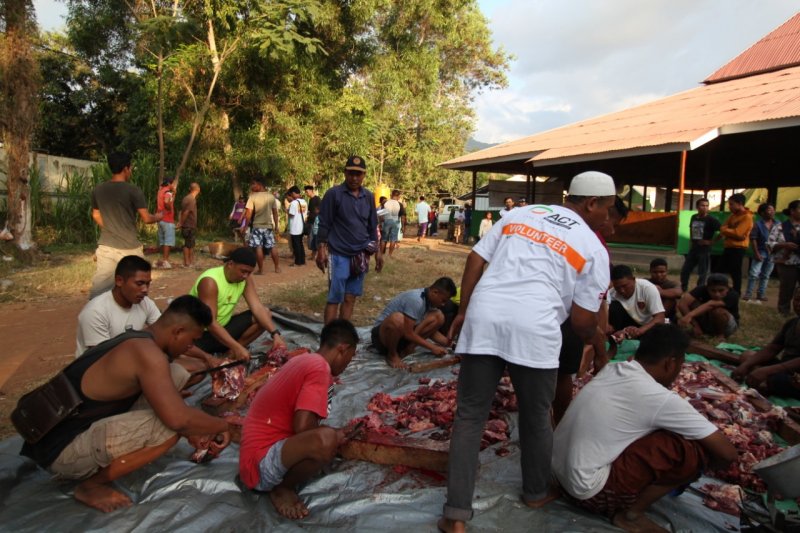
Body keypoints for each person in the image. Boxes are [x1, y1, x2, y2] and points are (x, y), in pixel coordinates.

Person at [439, 171, 617, 533]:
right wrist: (597, 345)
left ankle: (455, 515)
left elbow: (475, 258)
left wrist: (463, 310)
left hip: (486, 317)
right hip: (535, 330)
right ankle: (535, 492)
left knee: (470, 417)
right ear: (592, 203)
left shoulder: (523, 214)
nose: (608, 218)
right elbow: (583, 320)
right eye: (608, 210)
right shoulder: (593, 246)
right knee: (536, 417)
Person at [19, 296, 234, 513]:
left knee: (176, 373)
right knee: (167, 428)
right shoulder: (149, 355)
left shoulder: (139, 338)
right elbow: (178, 420)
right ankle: (91, 485)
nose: (191, 347)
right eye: (191, 341)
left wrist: (193, 427)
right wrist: (224, 425)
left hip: (57, 433)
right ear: (177, 331)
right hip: (61, 451)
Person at [552, 324, 737, 533]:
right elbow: (728, 453)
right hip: (588, 493)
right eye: (680, 366)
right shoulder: (659, 398)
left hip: (557, 478)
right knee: (691, 451)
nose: (677, 373)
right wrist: (697, 469)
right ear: (670, 363)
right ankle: (631, 515)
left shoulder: (614, 369)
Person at [239, 319, 359, 519]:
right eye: (351, 356)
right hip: (260, 467)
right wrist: (334, 435)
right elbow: (303, 427)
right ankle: (282, 488)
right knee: (326, 441)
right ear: (342, 349)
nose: (349, 363)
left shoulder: (304, 359)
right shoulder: (320, 368)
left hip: (255, 457)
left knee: (328, 435)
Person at [315, 155, 383, 324]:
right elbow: (324, 224)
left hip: (361, 255)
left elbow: (372, 226)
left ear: (364, 175)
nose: (354, 178)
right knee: (334, 297)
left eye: (358, 174)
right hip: (339, 254)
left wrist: (378, 252)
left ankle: (342, 335)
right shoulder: (334, 194)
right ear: (345, 173)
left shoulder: (368, 196)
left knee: (350, 297)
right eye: (351, 173)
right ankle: (329, 337)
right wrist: (321, 250)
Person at [189, 247, 285, 360]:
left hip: (224, 329)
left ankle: (230, 354)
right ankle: (235, 349)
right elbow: (210, 323)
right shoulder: (210, 282)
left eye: (249, 273)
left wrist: (275, 334)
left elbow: (257, 308)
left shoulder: (245, 279)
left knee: (266, 314)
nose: (245, 276)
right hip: (201, 335)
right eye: (243, 271)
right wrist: (237, 347)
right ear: (230, 264)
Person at [89, 152, 162, 299]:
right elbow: (147, 218)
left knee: (100, 288)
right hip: (130, 247)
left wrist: (110, 226)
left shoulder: (98, 189)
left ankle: (94, 316)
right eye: (131, 168)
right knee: (140, 285)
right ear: (126, 168)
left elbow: (95, 214)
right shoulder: (133, 190)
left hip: (106, 246)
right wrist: (158, 217)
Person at [76, 255, 161, 357]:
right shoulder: (95, 312)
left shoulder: (145, 303)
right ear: (119, 281)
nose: (145, 290)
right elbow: (102, 359)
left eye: (148, 284)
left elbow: (163, 332)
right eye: (139, 283)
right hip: (97, 368)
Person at [371, 277, 457, 369]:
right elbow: (408, 333)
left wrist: (450, 344)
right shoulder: (416, 300)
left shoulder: (429, 301)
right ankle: (392, 355)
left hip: (402, 336)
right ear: (435, 292)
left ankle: (408, 348)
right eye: (443, 300)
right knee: (397, 319)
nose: (443, 304)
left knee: (438, 316)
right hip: (382, 338)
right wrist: (432, 347)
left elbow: (431, 331)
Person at [733, 287, 800, 397]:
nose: (799, 304)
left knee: (776, 381)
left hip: (792, 373)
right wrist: (746, 365)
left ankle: (765, 382)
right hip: (787, 369)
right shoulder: (792, 323)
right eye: (797, 299)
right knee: (747, 355)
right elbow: (773, 348)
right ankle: (761, 379)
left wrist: (768, 371)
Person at [607, 265, 665, 341]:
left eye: (625, 286)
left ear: (633, 279)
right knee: (613, 307)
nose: (622, 290)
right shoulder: (611, 293)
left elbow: (660, 317)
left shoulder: (647, 288)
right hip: (627, 324)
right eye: (617, 287)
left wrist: (640, 330)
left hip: (647, 325)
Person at [677, 273, 740, 338]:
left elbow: (711, 304)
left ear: (727, 288)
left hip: (728, 326)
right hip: (708, 321)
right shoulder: (701, 289)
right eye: (713, 291)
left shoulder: (733, 295)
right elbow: (682, 303)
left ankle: (720, 336)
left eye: (721, 290)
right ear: (707, 288)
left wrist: (689, 315)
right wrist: (695, 325)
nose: (717, 294)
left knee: (717, 311)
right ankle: (701, 330)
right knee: (692, 303)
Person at [679, 198, 720, 291]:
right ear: (697, 207)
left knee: (702, 272)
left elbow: (722, 232)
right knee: (685, 270)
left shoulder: (711, 219)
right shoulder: (694, 217)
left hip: (704, 249)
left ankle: (699, 290)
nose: (705, 208)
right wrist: (690, 243)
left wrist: (711, 242)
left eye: (707, 206)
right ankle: (683, 288)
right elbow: (691, 229)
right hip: (694, 248)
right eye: (702, 205)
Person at [768, 200, 800, 315]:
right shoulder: (780, 227)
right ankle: (783, 311)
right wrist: (784, 245)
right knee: (787, 289)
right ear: (792, 211)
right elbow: (770, 243)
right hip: (787, 263)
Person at [718, 193, 753, 295]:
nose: (729, 207)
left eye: (732, 204)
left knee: (735, 271)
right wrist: (730, 231)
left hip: (738, 248)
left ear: (740, 204)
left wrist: (727, 230)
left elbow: (739, 233)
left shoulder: (747, 217)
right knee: (720, 269)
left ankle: (736, 292)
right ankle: (721, 288)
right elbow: (722, 227)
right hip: (729, 246)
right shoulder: (733, 216)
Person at [245, 179, 281, 274]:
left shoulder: (253, 197)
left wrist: (245, 226)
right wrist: (276, 226)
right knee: (272, 246)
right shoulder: (271, 197)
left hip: (257, 226)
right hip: (268, 226)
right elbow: (275, 213)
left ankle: (261, 270)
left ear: (260, 184)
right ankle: (277, 268)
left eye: (253, 184)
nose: (252, 186)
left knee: (258, 247)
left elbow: (248, 213)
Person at [743, 203, 776, 303]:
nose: (772, 212)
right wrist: (756, 253)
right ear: (762, 213)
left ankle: (761, 294)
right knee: (754, 274)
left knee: (766, 275)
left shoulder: (777, 224)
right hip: (761, 251)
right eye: (769, 210)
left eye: (773, 210)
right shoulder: (757, 224)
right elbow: (753, 239)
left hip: (773, 253)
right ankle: (748, 294)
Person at [647, 258, 682, 322]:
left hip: (666, 316)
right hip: (647, 313)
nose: (659, 275)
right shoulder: (645, 282)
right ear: (650, 271)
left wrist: (657, 291)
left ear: (667, 271)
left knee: (671, 298)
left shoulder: (672, 284)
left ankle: (657, 319)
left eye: (662, 272)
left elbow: (678, 293)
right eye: (655, 272)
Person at [155, 177, 177, 269]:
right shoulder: (167, 193)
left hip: (160, 219)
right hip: (167, 219)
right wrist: (168, 208)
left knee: (162, 240)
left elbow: (170, 201)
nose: (173, 186)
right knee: (168, 241)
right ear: (169, 183)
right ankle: (165, 261)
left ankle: (162, 260)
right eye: (172, 184)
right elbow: (167, 202)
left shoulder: (160, 191)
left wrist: (174, 193)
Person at [178, 183, 201, 268]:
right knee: (189, 244)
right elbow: (186, 212)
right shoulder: (192, 199)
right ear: (198, 189)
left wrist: (180, 222)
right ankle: (188, 262)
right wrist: (181, 223)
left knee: (188, 243)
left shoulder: (185, 198)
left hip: (187, 225)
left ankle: (189, 261)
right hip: (189, 225)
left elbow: (181, 211)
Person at [286, 186, 307, 267]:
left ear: (294, 193)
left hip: (295, 227)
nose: (291, 195)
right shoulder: (304, 202)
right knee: (300, 244)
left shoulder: (294, 203)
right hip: (301, 226)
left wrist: (287, 211)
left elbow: (291, 214)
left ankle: (298, 262)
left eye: (291, 194)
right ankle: (302, 260)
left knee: (296, 245)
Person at [381, 189, 403, 257]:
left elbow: (381, 214)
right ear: (398, 196)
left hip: (387, 220)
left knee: (384, 239)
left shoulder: (386, 202)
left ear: (391, 195)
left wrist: (381, 222)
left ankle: (381, 254)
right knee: (393, 239)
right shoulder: (399, 204)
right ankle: (390, 255)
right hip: (395, 221)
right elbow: (402, 215)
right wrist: (403, 225)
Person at [304, 185, 321, 259]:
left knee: (313, 238)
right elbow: (310, 211)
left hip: (315, 222)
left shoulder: (317, 199)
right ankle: (313, 254)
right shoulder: (310, 200)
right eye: (306, 192)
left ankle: (315, 255)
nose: (306, 193)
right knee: (311, 238)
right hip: (310, 221)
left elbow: (319, 210)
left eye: (307, 191)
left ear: (311, 191)